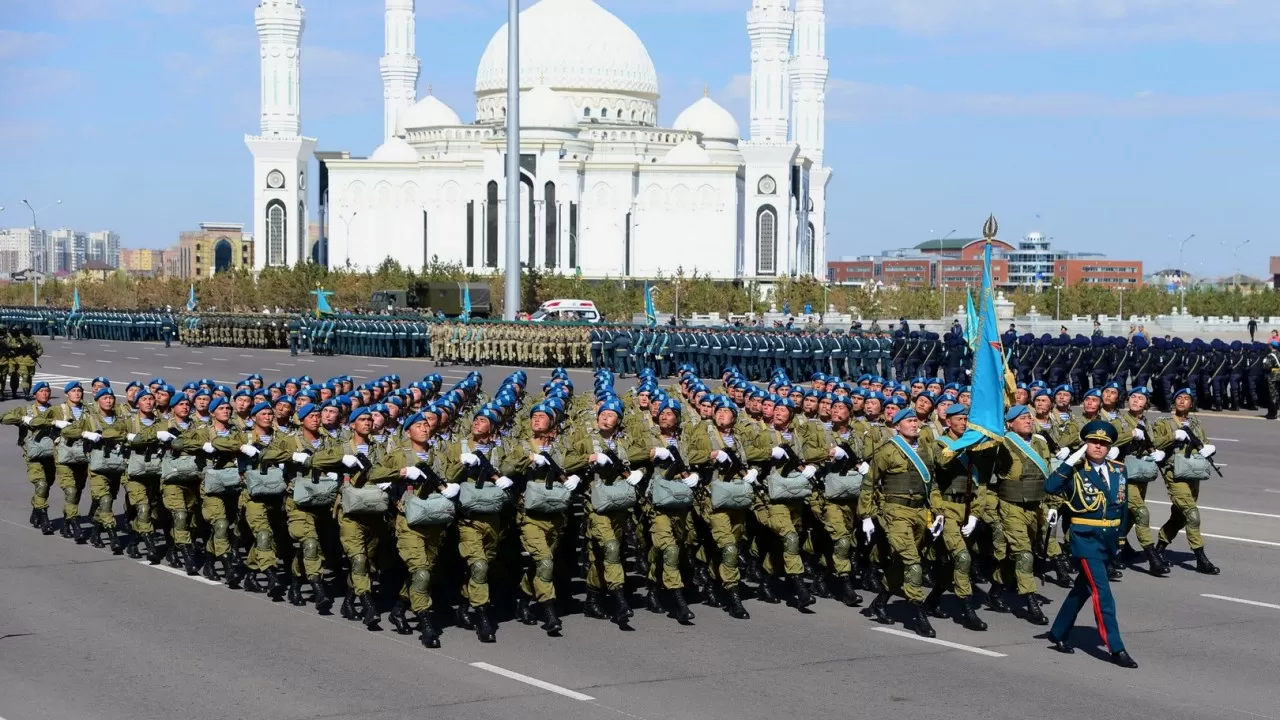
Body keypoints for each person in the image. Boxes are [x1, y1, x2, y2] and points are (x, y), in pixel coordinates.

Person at [1044, 419, 1139, 669]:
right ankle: (1116, 648)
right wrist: (1069, 462)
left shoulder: (1118, 469)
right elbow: (1050, 487)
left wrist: (1120, 539)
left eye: (1103, 444)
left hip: (1108, 540)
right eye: (1093, 442)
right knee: (1102, 593)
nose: (1098, 447)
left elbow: (1123, 505)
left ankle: (1058, 632)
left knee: (1083, 589)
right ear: (1084, 444)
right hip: (1085, 539)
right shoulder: (1076, 470)